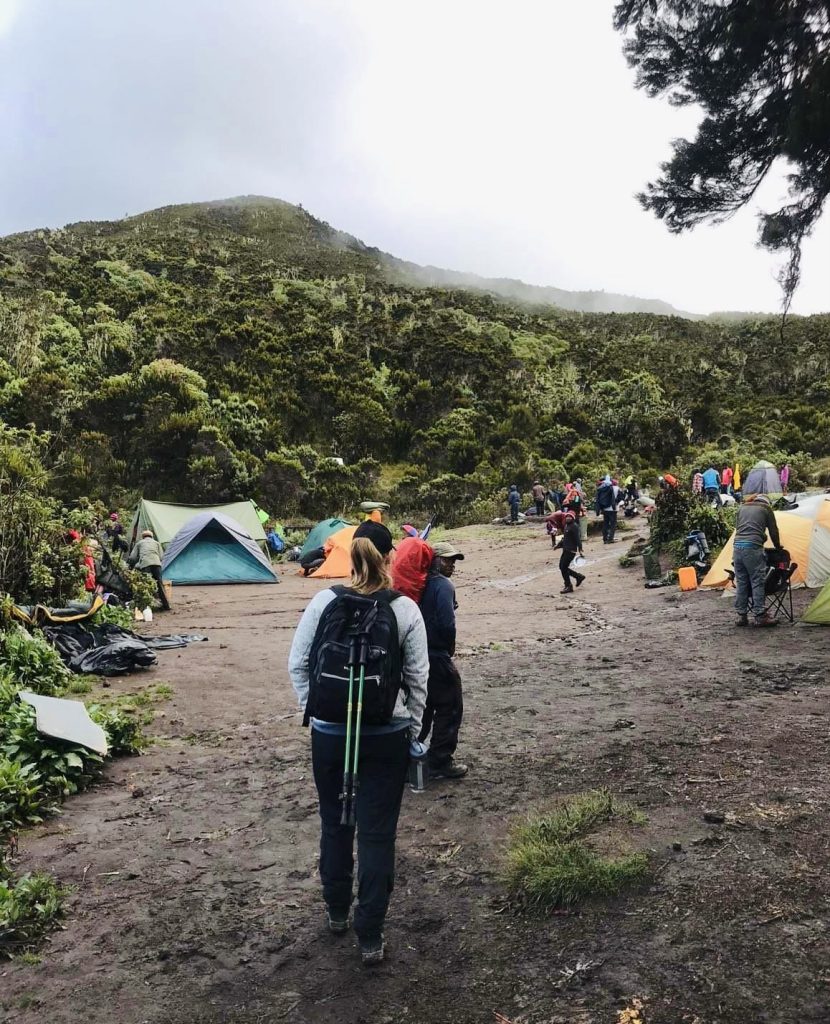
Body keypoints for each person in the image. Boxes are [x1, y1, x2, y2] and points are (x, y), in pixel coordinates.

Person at [287, 521, 429, 965]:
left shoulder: (322, 601)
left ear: (350, 557)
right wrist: (412, 729)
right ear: (390, 558)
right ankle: (370, 933)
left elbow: (297, 664)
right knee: (376, 833)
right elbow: (418, 679)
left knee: (335, 823)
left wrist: (318, 713)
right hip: (386, 736)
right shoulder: (405, 609)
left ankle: (335, 910)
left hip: (330, 736)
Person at [418, 541, 467, 781]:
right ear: (434, 560)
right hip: (437, 654)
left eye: (454, 560)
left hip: (416, 655)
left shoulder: (419, 584)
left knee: (422, 707)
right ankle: (440, 760)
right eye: (447, 559)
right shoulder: (443, 585)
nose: (452, 565)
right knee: (450, 704)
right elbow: (448, 624)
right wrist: (450, 647)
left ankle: (411, 758)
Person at [733, 495, 781, 627]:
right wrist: (778, 547)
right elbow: (773, 531)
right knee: (757, 581)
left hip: (737, 549)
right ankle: (760, 616)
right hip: (752, 549)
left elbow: (740, 529)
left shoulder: (742, 508)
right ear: (767, 502)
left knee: (742, 582)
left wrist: (761, 536)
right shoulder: (766, 508)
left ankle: (742, 616)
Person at [127, 529, 170, 611]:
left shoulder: (139, 543)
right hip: (157, 564)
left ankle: (148, 606)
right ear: (152, 536)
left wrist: (135, 564)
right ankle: (166, 605)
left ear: (143, 537)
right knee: (160, 585)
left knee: (146, 585)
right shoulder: (157, 543)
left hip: (145, 564)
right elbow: (161, 557)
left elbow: (132, 557)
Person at [555, 511, 585, 594]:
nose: (568, 518)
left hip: (571, 551)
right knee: (562, 567)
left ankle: (568, 586)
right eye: (567, 516)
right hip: (565, 549)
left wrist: (580, 549)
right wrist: (558, 545)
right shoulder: (566, 526)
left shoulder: (574, 526)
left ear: (573, 518)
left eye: (570, 517)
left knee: (563, 568)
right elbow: (565, 538)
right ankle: (578, 577)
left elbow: (577, 539)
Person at [595, 476, 619, 544]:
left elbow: (597, 500)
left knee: (605, 524)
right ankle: (610, 538)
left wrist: (598, 510)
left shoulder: (600, 488)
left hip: (604, 509)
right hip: (612, 509)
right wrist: (614, 507)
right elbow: (612, 498)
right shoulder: (611, 488)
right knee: (613, 524)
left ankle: (605, 539)